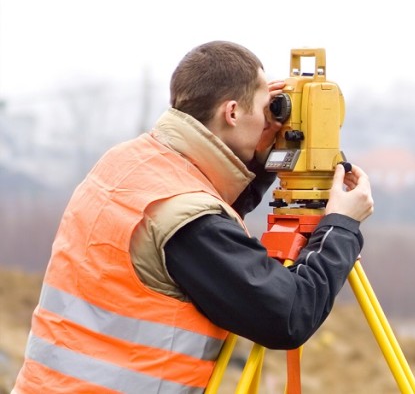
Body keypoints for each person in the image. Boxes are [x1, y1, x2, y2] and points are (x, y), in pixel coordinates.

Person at [13, 41, 374, 393]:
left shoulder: (129, 162)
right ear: (232, 113)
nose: (273, 119)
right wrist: (340, 226)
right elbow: (289, 315)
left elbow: (204, 206)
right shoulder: (188, 221)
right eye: (268, 107)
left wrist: (260, 159)